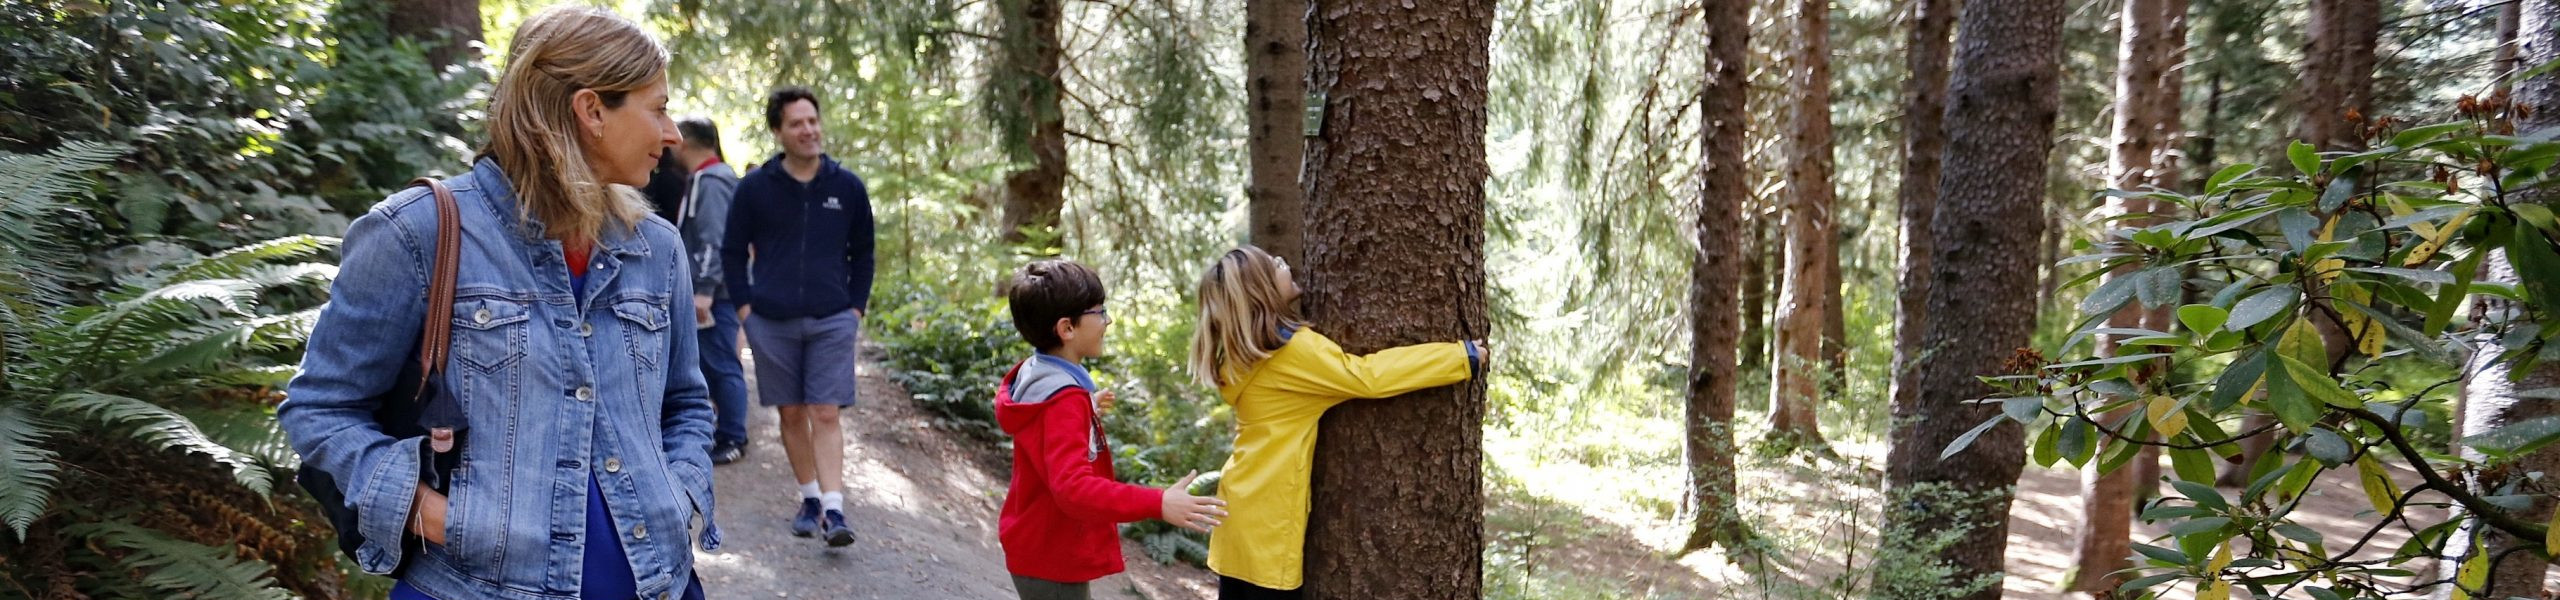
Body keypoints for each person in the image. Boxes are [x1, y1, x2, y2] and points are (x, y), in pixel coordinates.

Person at [280, 7, 718, 599]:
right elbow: (320, 407)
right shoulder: (419, 233)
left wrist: (680, 490)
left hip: (657, 582)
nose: (671, 134)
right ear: (591, 110)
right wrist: (428, 513)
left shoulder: (656, 249)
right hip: (473, 588)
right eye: (658, 107)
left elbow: (686, 402)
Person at [1184, 246, 1483, 600]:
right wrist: (1458, 357)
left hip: (1240, 512)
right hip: (1269, 522)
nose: (1285, 262)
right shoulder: (1293, 354)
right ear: (1262, 289)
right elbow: (1367, 377)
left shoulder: (1243, 356)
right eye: (1275, 264)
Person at [993, 259, 1228, 600]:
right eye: (1099, 312)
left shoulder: (1037, 372)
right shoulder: (1064, 400)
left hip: (1037, 545)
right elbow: (1073, 489)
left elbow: (1043, 430)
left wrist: (1084, 407)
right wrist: (1158, 502)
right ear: (1067, 328)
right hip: (1052, 556)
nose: (1108, 320)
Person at [721, 85, 875, 547]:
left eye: (812, 120)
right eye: (796, 123)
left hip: (832, 318)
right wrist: (747, 309)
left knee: (825, 411)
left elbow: (863, 253)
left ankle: (834, 510)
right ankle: (808, 497)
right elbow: (731, 252)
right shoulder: (754, 188)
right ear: (778, 131)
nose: (808, 130)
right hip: (771, 319)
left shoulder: (846, 187)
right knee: (790, 411)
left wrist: (855, 308)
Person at [671, 116, 750, 464]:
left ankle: (733, 436)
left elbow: (713, 241)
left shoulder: (712, 180)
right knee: (709, 361)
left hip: (715, 294)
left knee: (721, 362)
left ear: (686, 141)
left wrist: (703, 289)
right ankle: (722, 429)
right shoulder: (705, 179)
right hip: (715, 291)